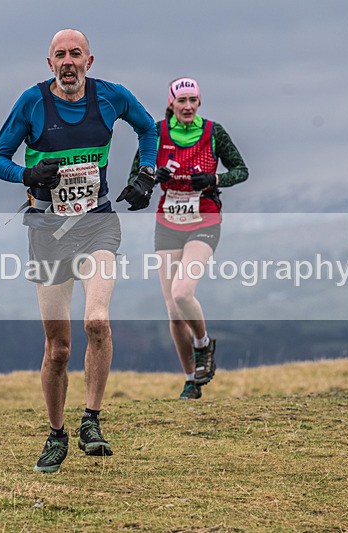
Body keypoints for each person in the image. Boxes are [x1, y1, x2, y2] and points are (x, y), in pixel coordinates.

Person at [0, 29, 157, 473]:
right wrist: (28, 174)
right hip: (47, 232)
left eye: (75, 54)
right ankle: (57, 434)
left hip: (97, 224)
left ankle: (92, 421)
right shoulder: (32, 103)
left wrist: (146, 174)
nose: (68, 62)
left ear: (89, 61)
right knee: (58, 348)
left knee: (97, 321)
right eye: (59, 55)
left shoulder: (111, 97)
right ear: (49, 64)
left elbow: (148, 129)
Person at [129, 77, 248, 399]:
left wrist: (215, 177)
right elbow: (135, 180)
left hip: (204, 220)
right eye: (182, 100)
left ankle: (203, 344)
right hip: (167, 224)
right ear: (171, 103)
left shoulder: (213, 132)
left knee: (183, 293)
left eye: (193, 100)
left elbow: (241, 170)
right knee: (173, 311)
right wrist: (152, 177)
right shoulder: (155, 133)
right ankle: (191, 381)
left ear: (199, 103)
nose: (188, 106)